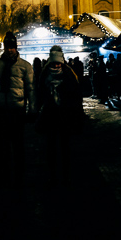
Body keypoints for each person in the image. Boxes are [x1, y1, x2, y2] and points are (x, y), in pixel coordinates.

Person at [0, 31, 35, 186]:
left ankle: (19, 175)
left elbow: (30, 88)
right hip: (0, 109)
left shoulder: (24, 66)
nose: (9, 50)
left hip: (17, 109)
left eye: (12, 47)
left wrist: (31, 107)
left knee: (18, 144)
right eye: (7, 47)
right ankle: (4, 174)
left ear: (16, 47)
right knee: (2, 144)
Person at [35, 45, 83, 187]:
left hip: (65, 116)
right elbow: (39, 95)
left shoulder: (69, 75)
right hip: (50, 116)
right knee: (51, 148)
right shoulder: (44, 76)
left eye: (58, 63)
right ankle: (53, 176)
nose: (56, 66)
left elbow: (76, 96)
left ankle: (65, 176)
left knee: (65, 147)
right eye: (54, 63)